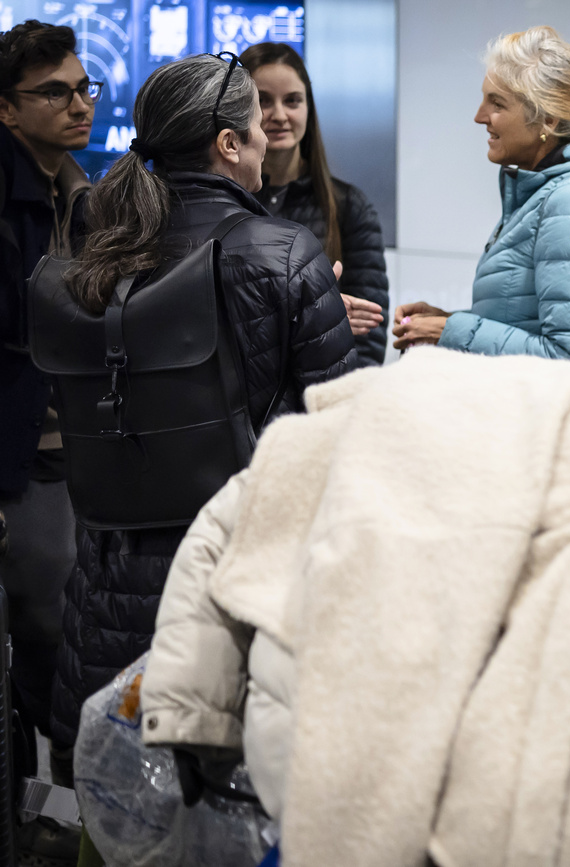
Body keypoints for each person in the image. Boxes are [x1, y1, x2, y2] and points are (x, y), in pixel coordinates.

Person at [46, 53, 356, 761]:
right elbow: (338, 439)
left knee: (120, 797)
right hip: (232, 588)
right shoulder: (283, 253)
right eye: (254, 125)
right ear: (227, 143)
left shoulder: (96, 246)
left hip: (105, 579)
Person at [391, 25, 570, 361]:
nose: (479, 117)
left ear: (548, 119)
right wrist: (446, 322)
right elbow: (524, 325)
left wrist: (450, 332)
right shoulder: (547, 195)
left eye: (497, 103)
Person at [0, 19, 95, 792]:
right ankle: (50, 786)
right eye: (54, 92)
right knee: (41, 620)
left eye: (82, 88)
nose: (77, 105)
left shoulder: (85, 196)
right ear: (7, 109)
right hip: (19, 451)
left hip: (79, 447)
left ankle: (58, 791)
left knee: (71, 621)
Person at [240, 42, 389, 367]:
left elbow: (369, 339)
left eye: (292, 100)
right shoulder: (224, 206)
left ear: (309, 107)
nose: (279, 115)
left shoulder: (350, 207)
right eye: (262, 101)